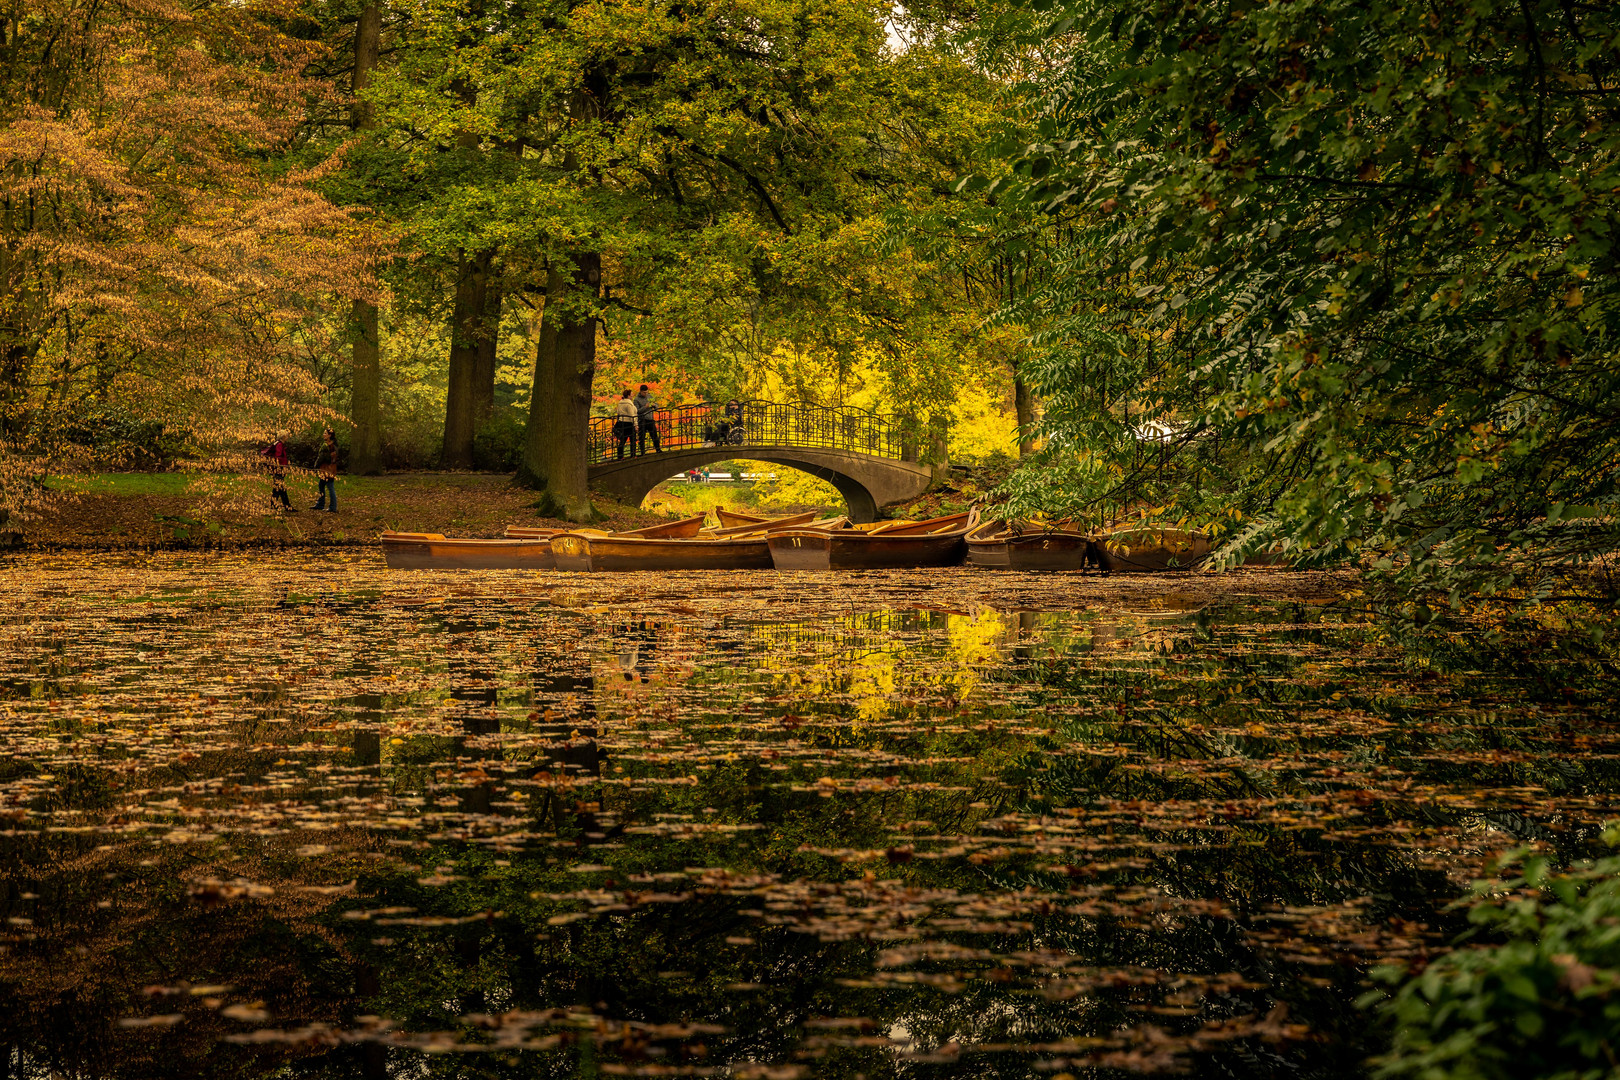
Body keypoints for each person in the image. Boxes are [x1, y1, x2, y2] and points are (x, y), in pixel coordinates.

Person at [258, 433, 295, 511]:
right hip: (279, 468)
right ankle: (283, 505)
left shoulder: (278, 444)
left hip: (278, 468)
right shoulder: (279, 445)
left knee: (280, 487)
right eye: (287, 435)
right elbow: (278, 456)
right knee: (279, 487)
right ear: (283, 436)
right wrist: (282, 465)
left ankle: (283, 505)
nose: (287, 437)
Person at [312, 427, 339, 512]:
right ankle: (320, 504)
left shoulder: (327, 446)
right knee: (321, 485)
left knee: (330, 487)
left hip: (326, 468)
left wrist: (316, 465)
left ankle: (332, 507)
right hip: (332, 468)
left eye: (325, 433)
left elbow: (322, 457)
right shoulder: (335, 445)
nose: (323, 435)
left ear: (329, 435)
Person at [633, 384, 660, 455]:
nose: (645, 394)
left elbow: (657, 406)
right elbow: (637, 411)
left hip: (650, 419)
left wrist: (654, 405)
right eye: (644, 392)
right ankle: (642, 452)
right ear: (641, 391)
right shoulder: (636, 400)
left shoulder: (650, 396)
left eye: (646, 392)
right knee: (642, 437)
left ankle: (658, 449)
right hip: (642, 420)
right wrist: (645, 407)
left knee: (654, 435)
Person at [612, 389, 638, 459]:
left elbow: (618, 413)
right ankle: (633, 454)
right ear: (628, 395)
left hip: (621, 422)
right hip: (629, 423)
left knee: (623, 440)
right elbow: (632, 415)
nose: (633, 395)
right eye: (631, 394)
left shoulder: (620, 403)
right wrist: (635, 425)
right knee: (632, 439)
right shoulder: (629, 404)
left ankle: (620, 456)